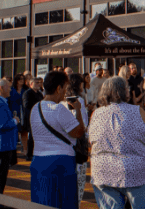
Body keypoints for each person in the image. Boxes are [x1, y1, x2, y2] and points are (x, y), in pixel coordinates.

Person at [88, 76, 145, 209]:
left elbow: (91, 141)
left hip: (103, 171)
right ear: (123, 92)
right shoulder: (137, 112)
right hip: (135, 171)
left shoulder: (95, 114)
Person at [29, 71, 86, 209]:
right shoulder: (59, 109)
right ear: (58, 88)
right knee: (64, 202)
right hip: (61, 163)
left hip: (39, 161)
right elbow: (78, 132)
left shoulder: (35, 108)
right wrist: (77, 110)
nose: (65, 93)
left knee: (42, 202)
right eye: (65, 88)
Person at [0, 79, 18, 209]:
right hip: (2, 145)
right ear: (1, 88)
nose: (10, 90)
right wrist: (15, 121)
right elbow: (2, 125)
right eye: (8, 87)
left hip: (3, 144)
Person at [66, 73, 91, 203]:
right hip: (79, 140)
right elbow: (84, 123)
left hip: (66, 142)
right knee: (80, 177)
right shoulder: (79, 100)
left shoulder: (63, 99)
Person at [21, 77, 43, 158]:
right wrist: (37, 104)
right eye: (36, 82)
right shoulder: (27, 93)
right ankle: (29, 154)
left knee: (37, 136)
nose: (38, 84)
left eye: (39, 82)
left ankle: (36, 153)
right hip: (30, 117)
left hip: (39, 117)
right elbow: (26, 105)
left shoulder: (39, 94)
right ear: (31, 84)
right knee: (31, 137)